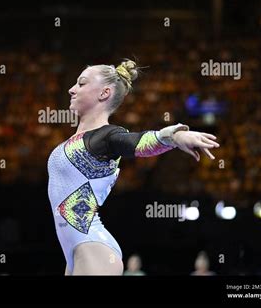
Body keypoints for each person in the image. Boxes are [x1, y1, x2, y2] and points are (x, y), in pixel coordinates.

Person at [47, 59, 220, 275]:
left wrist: (175, 136)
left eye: (81, 83)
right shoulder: (78, 140)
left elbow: (139, 142)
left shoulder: (107, 136)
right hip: (75, 251)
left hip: (94, 249)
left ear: (104, 93)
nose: (72, 89)